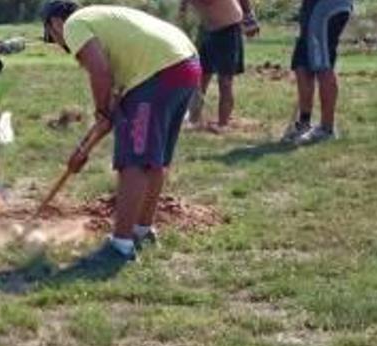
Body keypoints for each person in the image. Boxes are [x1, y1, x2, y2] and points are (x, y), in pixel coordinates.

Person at [40, 0, 202, 264]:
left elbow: (100, 73)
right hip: (186, 66)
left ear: (55, 23)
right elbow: (115, 98)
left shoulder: (74, 24)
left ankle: (120, 246)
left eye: (53, 36)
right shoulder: (104, 22)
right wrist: (86, 146)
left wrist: (102, 111)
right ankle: (142, 230)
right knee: (155, 159)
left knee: (134, 161)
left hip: (158, 72)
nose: (61, 44)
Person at [281, 0, 353, 145]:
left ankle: (326, 129)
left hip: (325, 7)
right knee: (301, 63)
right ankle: (304, 123)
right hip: (312, 9)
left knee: (322, 64)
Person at [181, 0, 259, 131]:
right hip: (206, 29)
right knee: (198, 78)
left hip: (228, 27)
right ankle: (193, 119)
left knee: (225, 81)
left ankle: (223, 124)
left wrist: (249, 17)